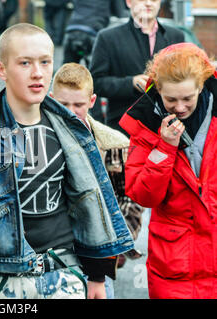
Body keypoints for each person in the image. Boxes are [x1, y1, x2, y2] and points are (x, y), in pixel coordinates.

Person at [0, 23, 134, 299]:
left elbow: (90, 202)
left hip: (67, 275)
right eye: (25, 63)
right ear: (1, 69)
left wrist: (97, 274)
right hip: (5, 282)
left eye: (45, 62)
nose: (38, 73)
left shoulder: (71, 128)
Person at [119, 43, 217, 298]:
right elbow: (143, 195)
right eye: (171, 100)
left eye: (188, 98)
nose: (180, 107)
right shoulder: (146, 126)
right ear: (157, 90)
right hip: (174, 265)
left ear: (201, 86)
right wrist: (165, 148)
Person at [51, 62, 145, 298]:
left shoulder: (115, 143)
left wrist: (115, 245)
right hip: (53, 257)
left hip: (98, 260)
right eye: (63, 105)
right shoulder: (41, 141)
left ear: (92, 101)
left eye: (79, 104)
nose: (71, 111)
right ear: (50, 99)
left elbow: (131, 199)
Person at [89, 0, 184, 134]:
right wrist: (131, 82)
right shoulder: (108, 38)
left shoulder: (176, 36)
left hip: (166, 129)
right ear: (128, 2)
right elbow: (95, 83)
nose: (148, 3)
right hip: (123, 129)